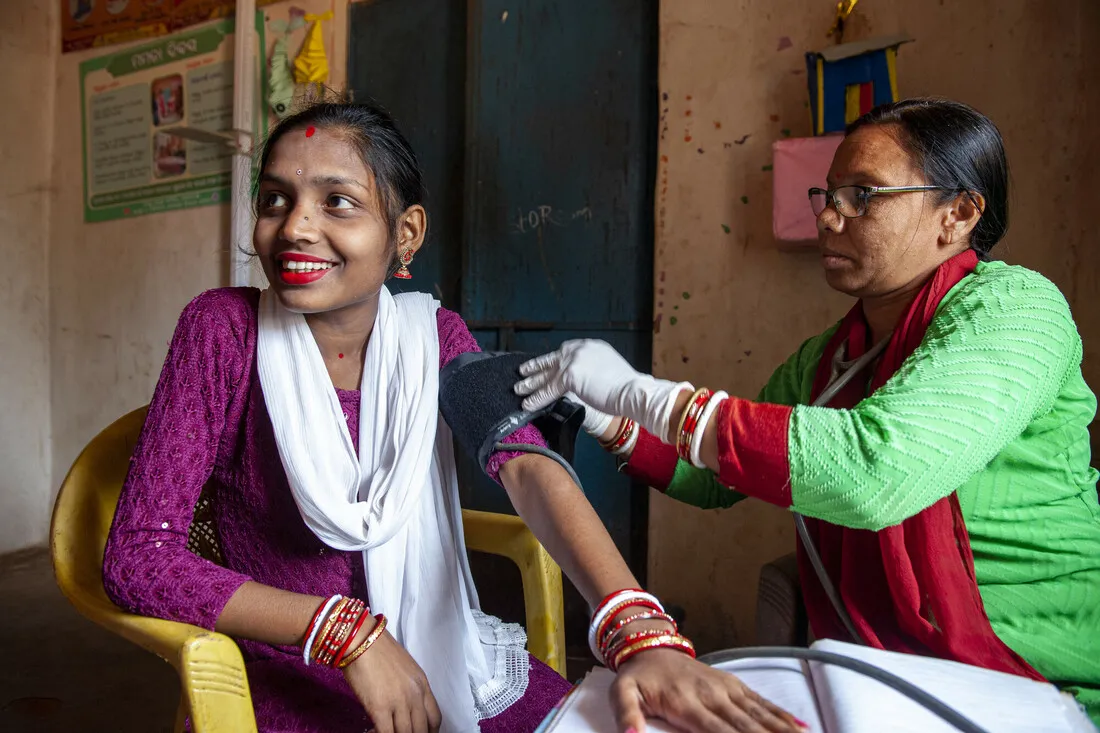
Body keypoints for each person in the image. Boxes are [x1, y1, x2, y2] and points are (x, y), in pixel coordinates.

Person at [103, 101, 807, 733]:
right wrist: (345, 633)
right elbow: (139, 555)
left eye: (337, 202)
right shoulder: (222, 331)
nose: (296, 228)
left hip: (443, 651)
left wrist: (639, 630)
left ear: (405, 234)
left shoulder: (431, 338)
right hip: (287, 668)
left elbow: (526, 465)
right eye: (275, 200)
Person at [516, 98, 1100, 725]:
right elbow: (717, 474)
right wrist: (606, 415)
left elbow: (875, 470)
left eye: (864, 195)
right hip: (876, 670)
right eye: (829, 195)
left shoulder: (1015, 310)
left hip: (1027, 680)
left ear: (956, 213)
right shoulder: (829, 361)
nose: (830, 218)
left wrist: (642, 393)